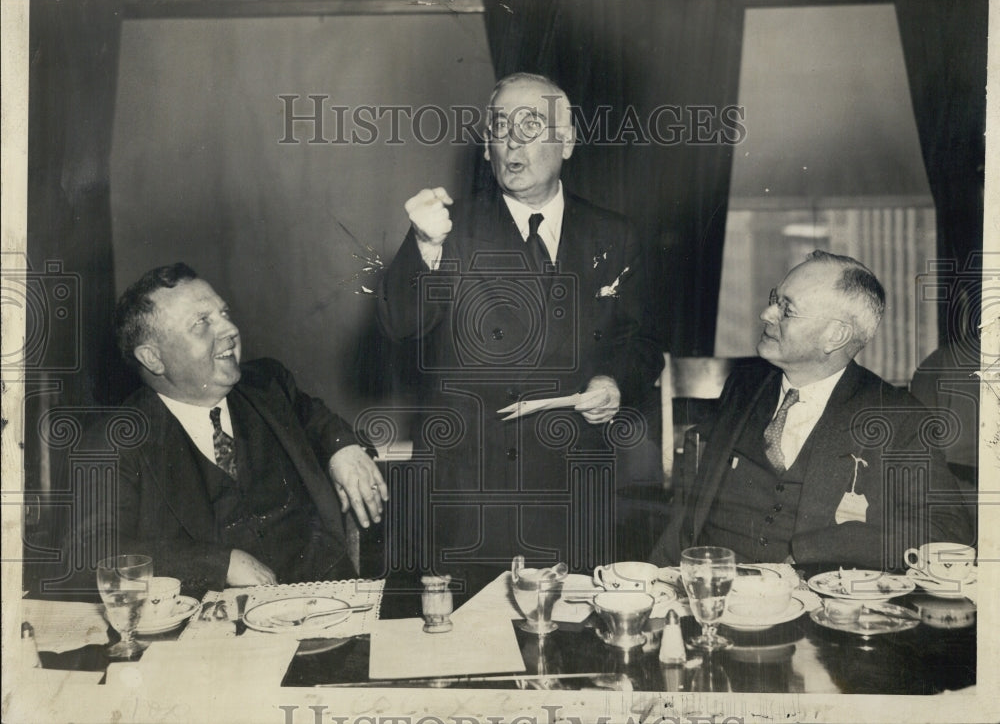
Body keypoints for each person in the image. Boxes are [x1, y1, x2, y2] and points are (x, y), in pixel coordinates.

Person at [377, 73, 663, 592]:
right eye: (499, 127)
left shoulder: (614, 234)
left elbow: (641, 342)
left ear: (567, 140)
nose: (511, 141)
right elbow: (401, 323)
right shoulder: (449, 230)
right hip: (467, 502)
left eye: (530, 125)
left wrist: (614, 382)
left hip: (575, 498)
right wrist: (424, 245)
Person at [650, 251, 972, 570]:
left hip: (811, 598)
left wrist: (822, 547)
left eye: (787, 309)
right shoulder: (743, 386)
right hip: (712, 585)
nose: (766, 314)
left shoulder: (897, 417)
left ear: (835, 336)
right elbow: (692, 513)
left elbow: (947, 530)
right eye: (774, 299)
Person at [91, 263, 387, 595]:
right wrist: (219, 564)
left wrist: (343, 448)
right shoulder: (116, 441)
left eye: (224, 314)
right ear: (153, 358)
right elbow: (89, 552)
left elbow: (315, 418)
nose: (230, 329)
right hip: (210, 621)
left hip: (326, 600)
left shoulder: (268, 385)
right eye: (202, 322)